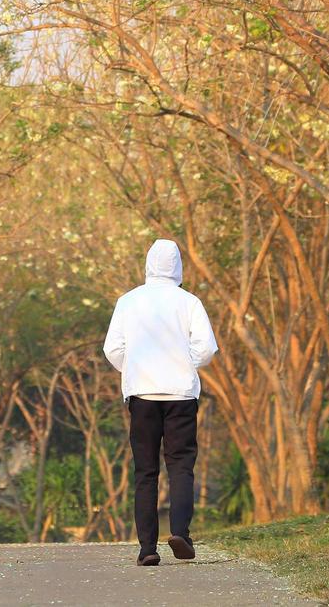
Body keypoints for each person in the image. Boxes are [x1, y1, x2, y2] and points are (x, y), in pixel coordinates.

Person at [103, 238, 218, 565]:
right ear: (178, 267)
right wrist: (184, 362)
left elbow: (112, 349)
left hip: (142, 396)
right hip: (180, 394)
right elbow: (207, 349)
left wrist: (136, 368)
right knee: (181, 466)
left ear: (149, 265)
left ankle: (147, 549)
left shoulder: (128, 301)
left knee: (146, 472)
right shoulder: (189, 302)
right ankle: (180, 532)